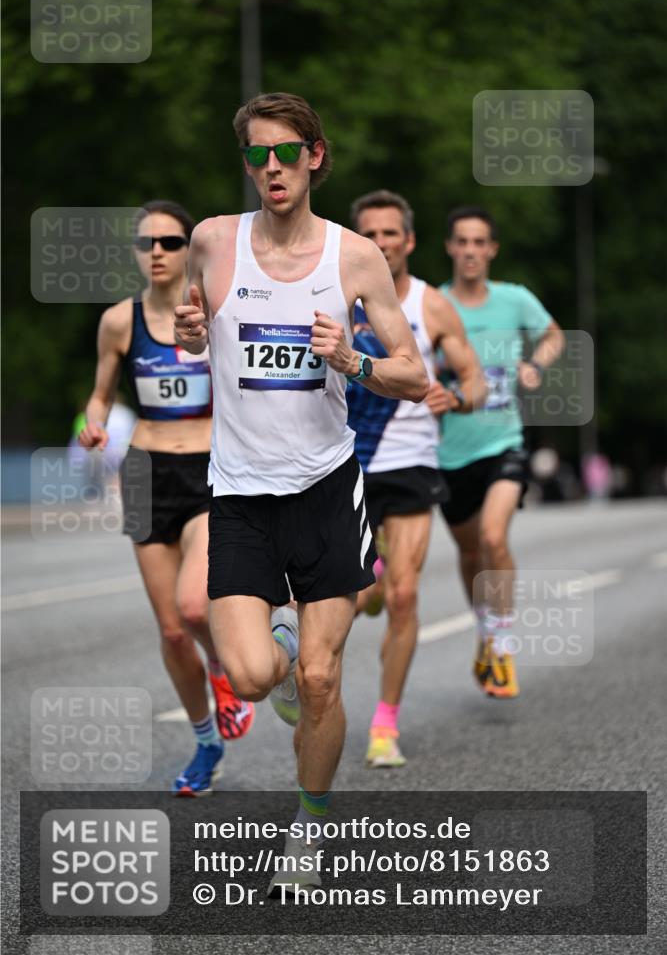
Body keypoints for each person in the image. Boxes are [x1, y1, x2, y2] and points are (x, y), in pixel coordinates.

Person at [174, 93, 428, 890]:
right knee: (251, 677)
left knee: (323, 680)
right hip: (240, 494)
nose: (271, 169)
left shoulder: (354, 259)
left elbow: (413, 376)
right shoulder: (213, 243)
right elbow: (186, 326)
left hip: (325, 487)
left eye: (285, 154)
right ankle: (278, 657)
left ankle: (308, 833)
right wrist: (186, 335)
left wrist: (350, 361)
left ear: (315, 156)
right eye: (257, 156)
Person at [78, 199, 254, 798]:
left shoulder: (216, 309)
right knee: (172, 630)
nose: (157, 252)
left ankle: (227, 673)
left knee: (197, 609)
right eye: (147, 242)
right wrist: (93, 421)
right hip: (146, 471)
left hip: (208, 468)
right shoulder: (118, 322)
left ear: (189, 250)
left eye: (170, 242)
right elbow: (101, 393)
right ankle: (206, 744)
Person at [347, 189, 485, 768]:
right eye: (369, 235)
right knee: (353, 596)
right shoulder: (334, 296)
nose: (380, 244)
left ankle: (384, 725)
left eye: (390, 234)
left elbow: (475, 379)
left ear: (408, 241)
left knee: (403, 594)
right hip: (344, 461)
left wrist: (455, 397)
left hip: (409, 461)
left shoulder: (431, 306)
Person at [429, 206, 565, 699]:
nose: (469, 251)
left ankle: (503, 645)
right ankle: (486, 631)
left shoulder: (514, 300)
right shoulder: (434, 303)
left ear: (492, 250)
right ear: (449, 247)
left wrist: (535, 365)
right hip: (449, 451)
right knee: (470, 552)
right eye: (461, 241)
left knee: (493, 535)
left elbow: (553, 334)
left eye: (479, 242)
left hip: (504, 441)